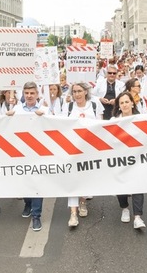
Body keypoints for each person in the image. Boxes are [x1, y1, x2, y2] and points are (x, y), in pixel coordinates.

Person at [6, 82, 47, 231]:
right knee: (23, 180)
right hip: (20, 153)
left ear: (37, 94)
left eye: (32, 93)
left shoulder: (44, 110)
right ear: (23, 94)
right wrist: (6, 117)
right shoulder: (16, 110)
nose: (29, 96)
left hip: (38, 154)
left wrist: (46, 117)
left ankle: (36, 215)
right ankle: (28, 203)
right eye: (26, 93)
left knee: (37, 184)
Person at [66, 82, 102, 227]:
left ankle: (83, 202)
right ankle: (73, 214)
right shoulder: (68, 106)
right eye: (74, 91)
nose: (77, 94)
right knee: (72, 179)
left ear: (86, 92)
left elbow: (100, 125)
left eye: (79, 91)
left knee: (85, 177)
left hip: (89, 149)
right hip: (72, 149)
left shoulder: (94, 105)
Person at [111, 91, 146, 230]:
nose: (125, 105)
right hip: (120, 160)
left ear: (132, 102)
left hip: (137, 158)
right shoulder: (113, 121)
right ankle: (124, 207)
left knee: (138, 185)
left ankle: (137, 217)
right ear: (119, 106)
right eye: (122, 103)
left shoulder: (141, 119)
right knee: (121, 186)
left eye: (127, 101)